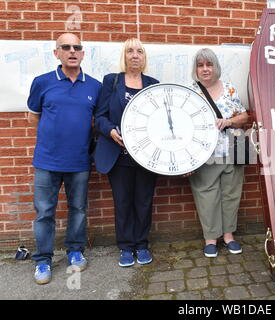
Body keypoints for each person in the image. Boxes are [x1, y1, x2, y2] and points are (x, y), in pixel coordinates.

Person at [27, 33, 102, 284]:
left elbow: (95, 122)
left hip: (79, 161)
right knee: (45, 213)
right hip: (47, 161)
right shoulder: (42, 82)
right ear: (56, 53)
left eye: (77, 47)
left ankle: (75, 251)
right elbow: (33, 116)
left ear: (82, 53)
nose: (72, 51)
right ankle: (43, 261)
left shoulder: (94, 86)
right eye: (66, 47)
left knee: (78, 210)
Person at [93, 38, 159, 267]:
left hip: (147, 157)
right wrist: (110, 130)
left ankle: (141, 245)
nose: (135, 55)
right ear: (124, 56)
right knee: (122, 202)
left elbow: (159, 121)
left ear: (144, 57)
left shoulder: (153, 84)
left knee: (143, 202)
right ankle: (125, 246)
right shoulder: (112, 82)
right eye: (130, 51)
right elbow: (99, 117)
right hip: (118, 156)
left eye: (139, 51)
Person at [188, 48, 249, 258]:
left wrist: (229, 121)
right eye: (201, 65)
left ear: (216, 67)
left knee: (231, 195)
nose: (205, 69)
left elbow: (244, 116)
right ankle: (210, 239)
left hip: (232, 151)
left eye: (209, 64)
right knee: (207, 196)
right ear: (196, 69)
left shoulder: (229, 89)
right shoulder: (191, 92)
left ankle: (229, 236)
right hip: (204, 155)